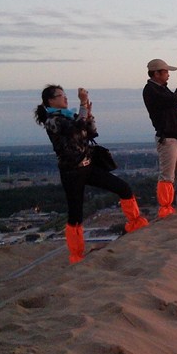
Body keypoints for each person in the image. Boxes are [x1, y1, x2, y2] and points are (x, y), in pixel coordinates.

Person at [35, 85, 148, 263]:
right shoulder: (53, 120)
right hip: (72, 172)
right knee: (75, 215)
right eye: (60, 96)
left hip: (89, 166)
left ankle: (135, 223)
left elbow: (91, 131)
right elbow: (75, 128)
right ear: (50, 101)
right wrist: (83, 105)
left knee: (123, 188)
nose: (65, 98)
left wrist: (89, 114)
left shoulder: (69, 115)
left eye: (65, 95)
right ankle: (77, 256)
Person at [142, 58, 177, 218]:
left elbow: (171, 103)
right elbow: (171, 101)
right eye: (165, 72)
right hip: (168, 139)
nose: (168, 75)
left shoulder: (161, 89)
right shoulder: (150, 90)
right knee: (167, 175)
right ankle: (165, 208)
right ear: (156, 73)